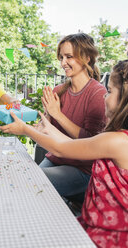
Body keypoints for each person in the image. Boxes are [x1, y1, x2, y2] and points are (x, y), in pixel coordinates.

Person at [0, 59, 128, 247]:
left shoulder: (118, 141)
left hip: (118, 235)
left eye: (110, 91)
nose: (104, 97)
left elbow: (61, 149)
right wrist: (48, 128)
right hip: (113, 224)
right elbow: (78, 145)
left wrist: (25, 129)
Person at [39, 33, 107, 202]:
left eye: (69, 57)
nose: (63, 63)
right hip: (56, 159)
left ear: (87, 58)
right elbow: (47, 128)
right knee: (27, 176)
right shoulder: (58, 91)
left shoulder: (98, 94)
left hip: (82, 169)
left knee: (33, 182)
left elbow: (92, 143)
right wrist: (37, 126)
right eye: (61, 57)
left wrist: (57, 114)